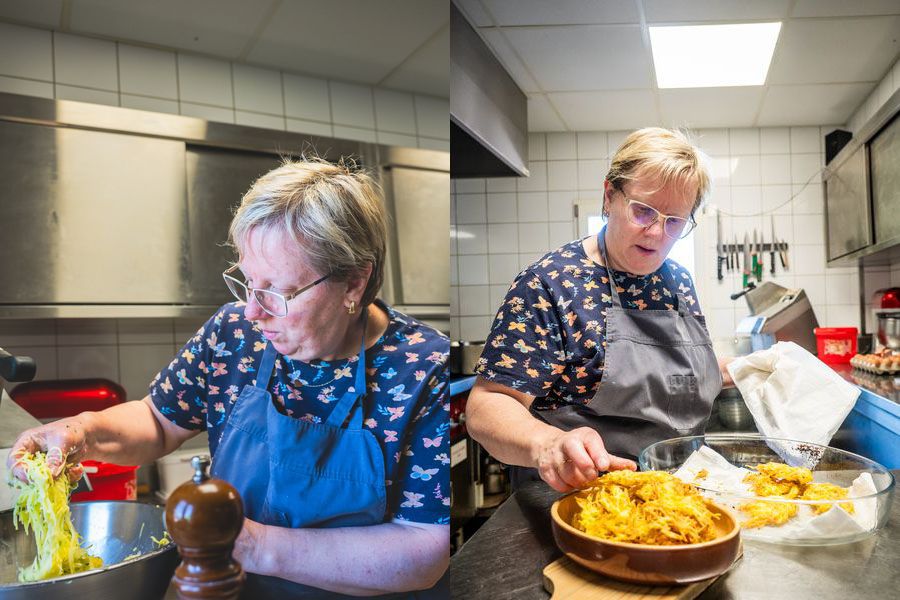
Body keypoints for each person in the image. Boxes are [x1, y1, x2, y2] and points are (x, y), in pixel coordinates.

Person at [8, 158, 450, 598]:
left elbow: (426, 548)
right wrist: (82, 431)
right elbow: (157, 421)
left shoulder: (423, 369)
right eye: (246, 282)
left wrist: (251, 545)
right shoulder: (233, 332)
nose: (254, 312)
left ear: (354, 283)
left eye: (276, 292)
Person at [466, 127, 734, 493]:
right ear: (610, 196)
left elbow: (665, 375)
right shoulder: (552, 283)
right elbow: (487, 405)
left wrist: (730, 371)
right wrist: (548, 444)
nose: (657, 233)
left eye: (674, 221)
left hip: (678, 492)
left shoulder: (678, 280)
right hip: (577, 498)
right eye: (643, 211)